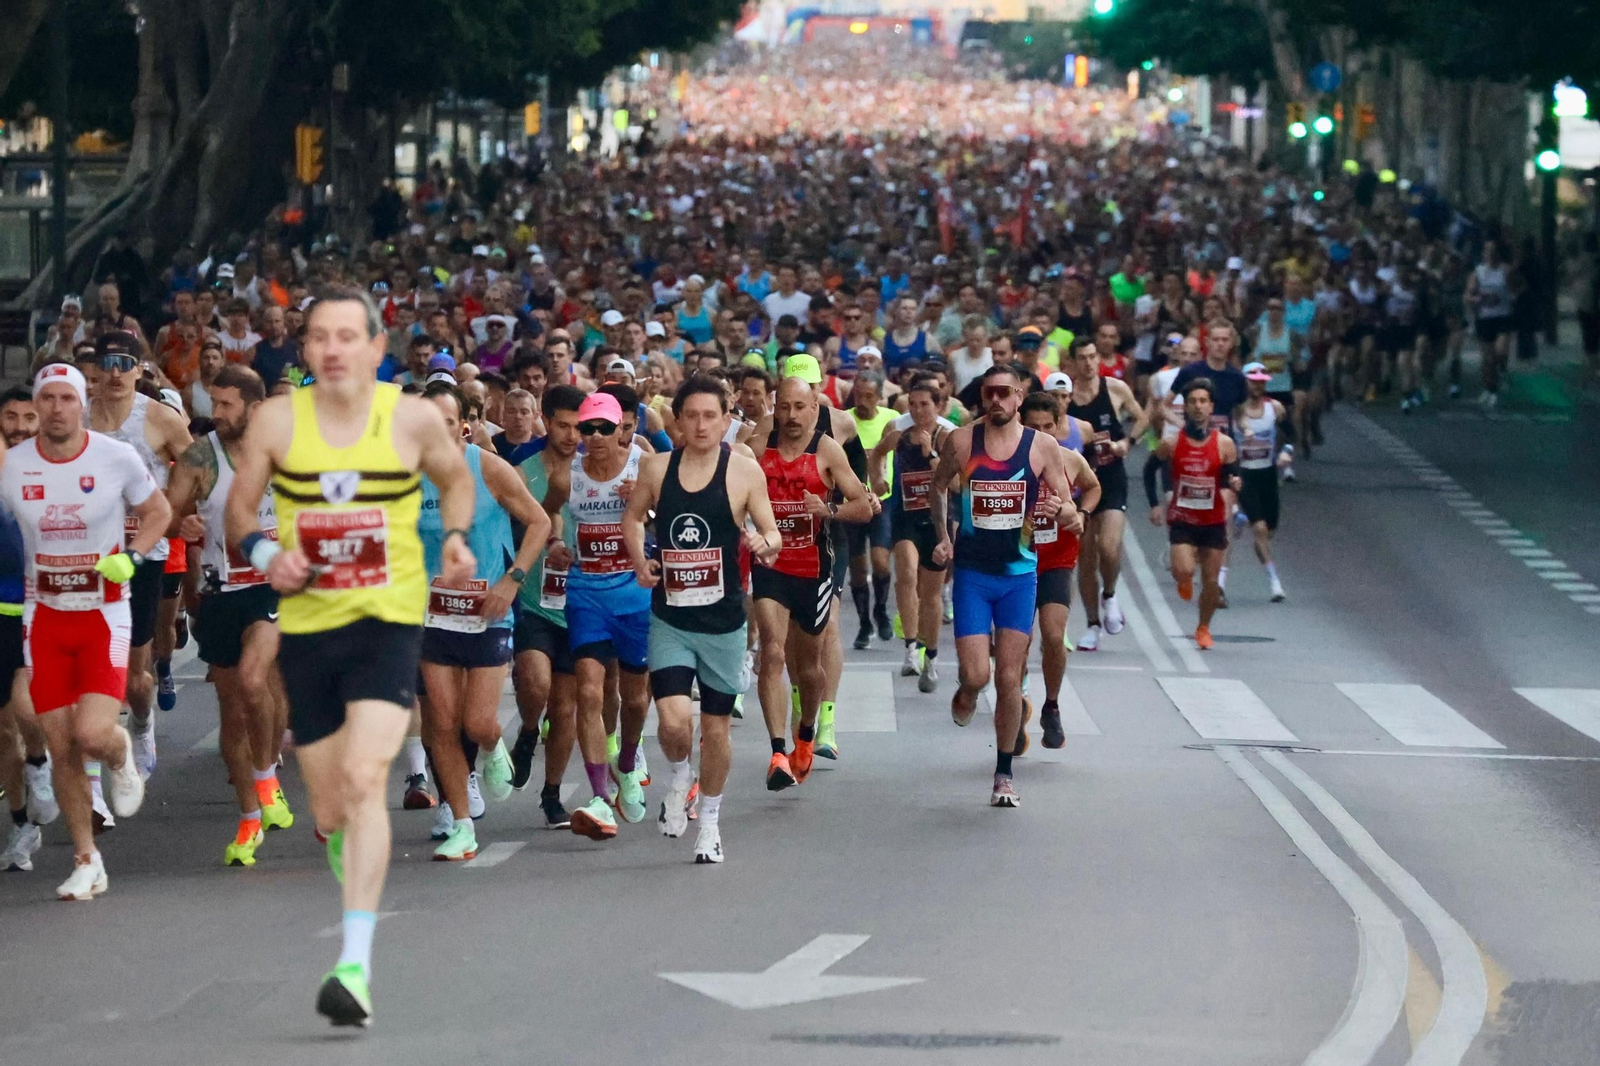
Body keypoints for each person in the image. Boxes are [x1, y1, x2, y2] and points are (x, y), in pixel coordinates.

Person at [224, 286, 476, 1027]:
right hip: (309, 628)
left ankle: (354, 967)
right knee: (332, 809)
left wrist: (455, 537)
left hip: (388, 620)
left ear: (376, 349)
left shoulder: (413, 417)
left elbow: (457, 479)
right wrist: (268, 550)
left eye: (347, 336)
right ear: (303, 350)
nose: (332, 349)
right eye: (318, 337)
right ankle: (345, 842)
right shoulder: (277, 420)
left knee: (368, 780)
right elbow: (240, 511)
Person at [0, 362, 168, 898]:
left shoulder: (115, 457)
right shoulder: (14, 465)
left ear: (81, 403)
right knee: (59, 743)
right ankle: (86, 858)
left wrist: (136, 558)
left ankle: (120, 752)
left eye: (64, 398)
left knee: (91, 734)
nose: (54, 408)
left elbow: (159, 511)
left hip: (103, 614)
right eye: (45, 398)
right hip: (43, 616)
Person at [623, 376, 782, 863]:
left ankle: (710, 822)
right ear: (676, 420)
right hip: (670, 615)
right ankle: (678, 777)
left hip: (724, 621)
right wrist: (639, 560)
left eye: (710, 416)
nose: (700, 425)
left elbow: (773, 534)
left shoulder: (743, 471)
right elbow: (633, 518)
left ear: (726, 418)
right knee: (672, 722)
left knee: (715, 729)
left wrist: (762, 544)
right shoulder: (656, 467)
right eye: (690, 416)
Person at [928, 364, 1077, 808]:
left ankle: (1004, 773)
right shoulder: (961, 440)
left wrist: (1059, 511)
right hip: (973, 574)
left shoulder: (1042, 447)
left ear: (1019, 396)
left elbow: (1068, 507)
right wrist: (942, 536)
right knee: (978, 673)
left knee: (1010, 677)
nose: (996, 400)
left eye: (1005, 393)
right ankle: (968, 690)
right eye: (989, 392)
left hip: (1019, 577)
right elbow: (938, 489)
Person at [415, 381, 551, 862]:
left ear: (463, 426)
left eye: (447, 423)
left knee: (478, 723)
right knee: (443, 724)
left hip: (487, 612)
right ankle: (462, 824)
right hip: (432, 615)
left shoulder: (488, 468)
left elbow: (540, 523)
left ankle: (495, 748)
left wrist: (512, 581)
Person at [164, 365, 295, 866]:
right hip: (220, 591)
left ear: (255, 408)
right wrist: (183, 521)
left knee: (253, 678)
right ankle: (249, 815)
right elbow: (166, 513)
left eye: (226, 405)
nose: (215, 414)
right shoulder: (200, 458)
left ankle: (264, 778)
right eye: (212, 404)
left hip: (273, 588)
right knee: (233, 712)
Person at [752, 376, 872, 790]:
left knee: (810, 669)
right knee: (771, 652)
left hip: (815, 569)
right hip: (771, 565)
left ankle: (807, 730)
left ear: (815, 408)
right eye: (784, 407)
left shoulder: (826, 450)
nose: (790, 416)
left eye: (799, 407)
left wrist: (830, 509)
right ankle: (777, 752)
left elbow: (862, 506)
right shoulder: (756, 447)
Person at [84, 331, 193, 780]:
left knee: (135, 676)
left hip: (143, 552)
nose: (114, 373)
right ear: (94, 369)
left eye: (124, 363)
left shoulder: (160, 418)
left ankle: (143, 723)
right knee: (89, 664)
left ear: (139, 369)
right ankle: (91, 764)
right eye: (107, 363)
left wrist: (173, 509)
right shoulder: (78, 415)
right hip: (85, 553)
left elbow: (198, 465)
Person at [557, 391, 653, 842]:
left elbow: (674, 513)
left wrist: (648, 504)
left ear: (621, 429)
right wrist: (558, 544)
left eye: (603, 428)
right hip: (586, 594)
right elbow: (551, 518)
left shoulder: (643, 463)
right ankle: (598, 796)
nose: (594, 438)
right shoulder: (570, 472)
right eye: (586, 429)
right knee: (590, 693)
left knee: (635, 701)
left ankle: (628, 762)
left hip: (634, 595)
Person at [508, 385, 582, 829]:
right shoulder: (521, 472)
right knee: (535, 683)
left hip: (580, 604)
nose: (572, 435)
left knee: (567, 707)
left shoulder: (596, 472)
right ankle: (528, 729)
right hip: (534, 600)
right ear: (544, 420)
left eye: (579, 427)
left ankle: (552, 794)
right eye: (562, 425)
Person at [1020, 392, 1100, 749]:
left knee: (1053, 636)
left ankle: (1051, 706)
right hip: (1015, 561)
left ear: (1058, 426)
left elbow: (1094, 488)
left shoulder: (1070, 459)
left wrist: (1081, 514)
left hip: (1056, 560)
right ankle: (1016, 703)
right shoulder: (1008, 460)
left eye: (1047, 427)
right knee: (1016, 644)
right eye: (1033, 427)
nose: (1041, 433)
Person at [0, 387, 59, 874]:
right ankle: (21, 824)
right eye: (10, 417)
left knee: (25, 706)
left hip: (36, 609)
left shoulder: (48, 474)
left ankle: (40, 764)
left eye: (28, 417)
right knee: (3, 730)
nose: (19, 425)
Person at [1063, 336, 1145, 652]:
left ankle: (1110, 593)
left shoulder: (1115, 389)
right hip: (1079, 484)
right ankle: (1093, 625)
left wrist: (1127, 443)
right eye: (1082, 357)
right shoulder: (1066, 396)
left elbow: (1142, 417)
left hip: (1111, 479)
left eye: (1093, 356)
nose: (1088, 363)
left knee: (1109, 548)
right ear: (1072, 362)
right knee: (1085, 558)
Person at [870, 377, 949, 691]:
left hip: (937, 521)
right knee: (905, 573)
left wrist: (931, 456)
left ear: (938, 405)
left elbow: (957, 484)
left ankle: (931, 656)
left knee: (931, 594)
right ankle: (910, 649)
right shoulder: (899, 433)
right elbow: (876, 454)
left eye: (924, 404)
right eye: (912, 404)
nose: (917, 411)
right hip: (904, 516)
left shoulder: (948, 435)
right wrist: (879, 480)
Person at [1151, 379, 1239, 650]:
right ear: (1185, 407)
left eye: (1203, 401)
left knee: (1211, 583)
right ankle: (1185, 579)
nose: (1198, 406)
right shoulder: (1172, 442)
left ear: (1211, 406)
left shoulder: (1224, 444)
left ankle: (1203, 628)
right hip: (1183, 519)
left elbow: (1230, 477)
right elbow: (1148, 469)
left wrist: (1235, 485)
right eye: (1192, 402)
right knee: (1184, 569)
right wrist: (1155, 503)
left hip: (1212, 521)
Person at [845, 370, 895, 649]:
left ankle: (882, 609)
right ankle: (864, 623)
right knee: (857, 565)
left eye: (869, 396)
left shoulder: (890, 419)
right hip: (853, 502)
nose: (863, 401)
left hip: (882, 501)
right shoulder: (845, 421)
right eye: (858, 395)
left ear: (879, 396)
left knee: (880, 561)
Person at [1234, 363, 1289, 603]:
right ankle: (1274, 582)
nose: (1257, 385)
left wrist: (1287, 450)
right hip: (1245, 474)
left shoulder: (1274, 408)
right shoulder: (1236, 409)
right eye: (1252, 381)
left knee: (1269, 530)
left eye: (1261, 381)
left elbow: (1290, 430)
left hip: (1267, 474)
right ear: (1245, 382)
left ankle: (1243, 517)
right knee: (1260, 529)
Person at [491, 388, 539, 465]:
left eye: (524, 412)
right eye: (512, 412)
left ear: (535, 416)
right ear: (503, 415)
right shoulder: (492, 445)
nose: (518, 416)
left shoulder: (542, 448)